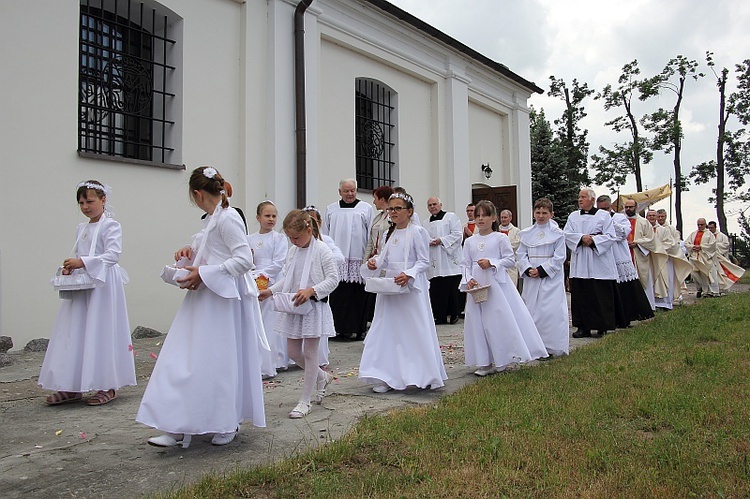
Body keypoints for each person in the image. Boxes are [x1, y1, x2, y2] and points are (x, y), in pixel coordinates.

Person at [137, 166, 266, 448]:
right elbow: (211, 252)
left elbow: (244, 260)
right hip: (201, 301)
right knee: (183, 359)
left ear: (197, 193)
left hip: (221, 302)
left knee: (217, 362)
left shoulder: (228, 218)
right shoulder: (210, 220)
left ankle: (225, 421)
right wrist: (188, 254)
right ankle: (175, 424)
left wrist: (204, 274)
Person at [40, 180, 136, 406]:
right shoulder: (81, 228)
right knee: (76, 330)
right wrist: (72, 267)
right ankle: (72, 385)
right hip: (83, 286)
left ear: (103, 200)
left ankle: (108, 385)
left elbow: (113, 255)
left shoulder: (111, 226)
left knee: (102, 330)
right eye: (81, 202)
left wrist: (82, 262)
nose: (85, 206)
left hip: (103, 287)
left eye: (90, 201)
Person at [359, 192, 447, 392]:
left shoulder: (417, 232)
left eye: (398, 208)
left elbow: (424, 262)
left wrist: (409, 274)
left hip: (410, 289)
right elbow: (386, 258)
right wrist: (374, 264)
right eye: (391, 209)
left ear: (409, 211)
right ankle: (386, 375)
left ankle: (419, 374)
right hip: (391, 289)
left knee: (412, 330)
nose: (393, 212)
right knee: (387, 330)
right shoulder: (391, 234)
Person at [259, 210, 338, 418]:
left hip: (313, 308)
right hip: (295, 307)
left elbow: (333, 279)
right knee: (293, 353)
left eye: (296, 237)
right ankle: (322, 377)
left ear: (309, 230)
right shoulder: (293, 251)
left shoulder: (322, 250)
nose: (293, 241)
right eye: (290, 238)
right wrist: (270, 291)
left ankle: (305, 401)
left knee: (311, 354)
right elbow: (287, 279)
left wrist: (312, 290)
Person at [461, 200, 548, 375]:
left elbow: (509, 259)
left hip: (495, 285)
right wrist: (468, 278)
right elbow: (465, 264)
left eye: (484, 215)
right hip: (477, 286)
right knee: (478, 322)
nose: (480, 219)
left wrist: (492, 263)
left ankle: (501, 358)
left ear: (493, 217)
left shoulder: (500, 238)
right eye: (477, 216)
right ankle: (484, 361)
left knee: (496, 320)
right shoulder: (470, 242)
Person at [564, 188, 620, 337]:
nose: (580, 199)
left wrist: (593, 240)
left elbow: (610, 236)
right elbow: (566, 234)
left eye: (583, 197)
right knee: (581, 295)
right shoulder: (573, 216)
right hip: (580, 261)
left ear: (592, 200)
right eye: (579, 197)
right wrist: (581, 238)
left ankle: (602, 325)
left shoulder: (604, 216)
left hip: (598, 261)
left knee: (599, 294)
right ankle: (583, 326)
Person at [517, 198, 569, 357]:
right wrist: (527, 269)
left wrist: (541, 270)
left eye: (544, 213)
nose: (540, 216)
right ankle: (534, 346)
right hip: (531, 279)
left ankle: (552, 347)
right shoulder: (526, 234)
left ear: (551, 214)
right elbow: (521, 254)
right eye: (538, 212)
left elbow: (560, 257)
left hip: (550, 279)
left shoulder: (558, 234)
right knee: (532, 310)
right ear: (534, 213)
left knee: (550, 311)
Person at [324, 179, 374, 341]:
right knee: (339, 295)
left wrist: (369, 255)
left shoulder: (365, 208)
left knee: (358, 294)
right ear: (340, 192)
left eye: (352, 190)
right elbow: (326, 232)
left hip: (358, 257)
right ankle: (339, 329)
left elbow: (371, 233)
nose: (350, 194)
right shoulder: (331, 209)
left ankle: (358, 329)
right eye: (346, 191)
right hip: (338, 259)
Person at [596, 195, 653, 325]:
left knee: (625, 289)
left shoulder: (620, 218)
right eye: (600, 209)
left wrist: (608, 222)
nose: (603, 212)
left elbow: (623, 234)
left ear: (610, 207)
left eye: (605, 209)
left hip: (619, 255)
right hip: (604, 257)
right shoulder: (596, 219)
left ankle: (626, 317)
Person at [248, 200, 290, 377]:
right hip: (254, 281)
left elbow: (279, 262)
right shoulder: (250, 238)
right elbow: (247, 259)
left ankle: (275, 360)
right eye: (267, 216)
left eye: (274, 216)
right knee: (258, 322)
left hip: (272, 282)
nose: (271, 219)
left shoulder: (279, 238)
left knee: (271, 322)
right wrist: (252, 273)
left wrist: (261, 275)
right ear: (258, 217)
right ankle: (258, 361)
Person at [303, 205, 345, 366]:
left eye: (314, 221)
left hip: (318, 287)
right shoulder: (300, 242)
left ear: (320, 222)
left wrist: (320, 264)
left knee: (319, 324)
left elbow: (339, 258)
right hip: (304, 286)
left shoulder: (325, 241)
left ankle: (320, 358)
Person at [425, 196, 463, 324]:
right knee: (437, 289)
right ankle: (439, 316)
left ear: (440, 205)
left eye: (434, 204)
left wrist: (441, 240)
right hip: (435, 260)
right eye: (430, 205)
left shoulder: (451, 217)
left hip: (448, 259)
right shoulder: (425, 223)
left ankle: (454, 314)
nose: (432, 207)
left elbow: (458, 234)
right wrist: (428, 242)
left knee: (452, 288)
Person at [624, 199, 666, 311]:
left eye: (630, 207)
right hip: (624, 255)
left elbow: (651, 239)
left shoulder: (643, 222)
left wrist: (637, 243)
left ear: (636, 207)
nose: (628, 209)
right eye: (626, 207)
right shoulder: (621, 221)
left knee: (643, 280)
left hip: (639, 255)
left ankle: (646, 307)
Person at [647, 209, 692, 310]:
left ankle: (664, 303)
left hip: (663, 259)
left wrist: (657, 248)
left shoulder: (665, 230)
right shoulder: (645, 229)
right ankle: (651, 302)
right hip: (649, 259)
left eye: (654, 216)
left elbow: (672, 243)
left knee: (664, 279)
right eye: (650, 216)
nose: (653, 218)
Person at [684, 218, 720, 298]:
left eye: (702, 225)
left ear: (705, 224)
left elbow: (712, 245)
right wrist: (693, 247)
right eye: (698, 225)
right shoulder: (693, 234)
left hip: (704, 258)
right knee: (695, 274)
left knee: (705, 274)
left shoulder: (709, 234)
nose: (700, 226)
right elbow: (686, 243)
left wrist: (701, 247)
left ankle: (709, 292)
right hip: (694, 257)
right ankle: (700, 289)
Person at [707, 221, 745, 293]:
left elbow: (726, 246)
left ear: (715, 227)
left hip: (721, 258)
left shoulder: (722, 236)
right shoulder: (707, 236)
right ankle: (713, 290)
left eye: (711, 228)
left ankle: (725, 289)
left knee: (723, 275)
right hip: (711, 259)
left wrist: (714, 246)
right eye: (709, 228)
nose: (710, 230)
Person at [499, 209, 521, 287]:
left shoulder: (516, 231)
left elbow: (516, 244)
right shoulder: (496, 231)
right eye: (502, 217)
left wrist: (503, 247)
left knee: (511, 288)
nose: (503, 219)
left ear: (510, 218)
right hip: (499, 265)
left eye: (505, 217)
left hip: (511, 266)